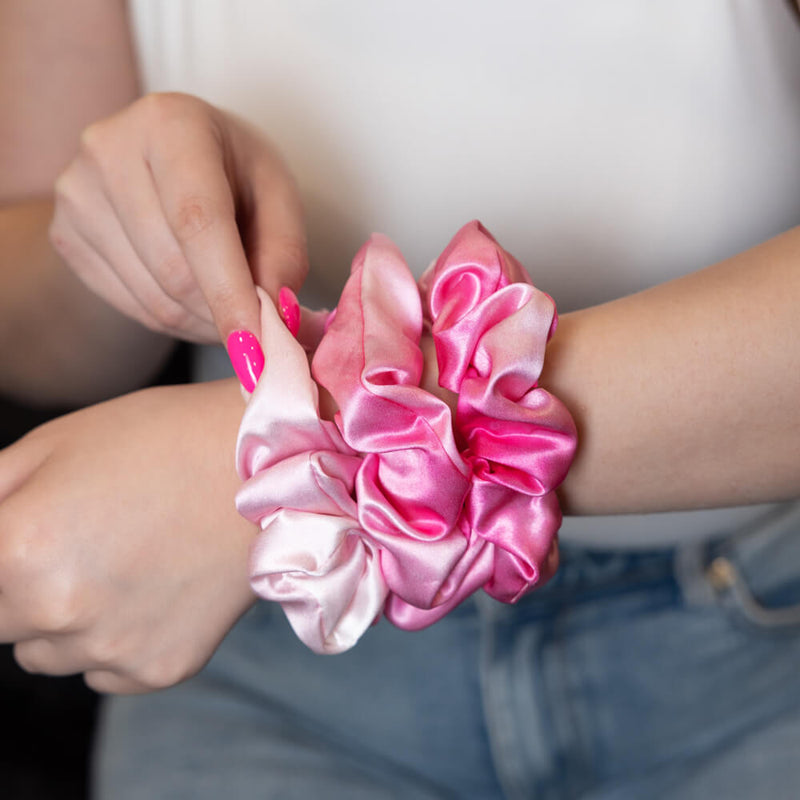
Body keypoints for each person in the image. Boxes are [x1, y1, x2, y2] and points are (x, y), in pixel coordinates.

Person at [1, 0, 799, 797]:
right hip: (270, 645)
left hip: (759, 645)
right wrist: (132, 246)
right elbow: (29, 325)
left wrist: (300, 467)